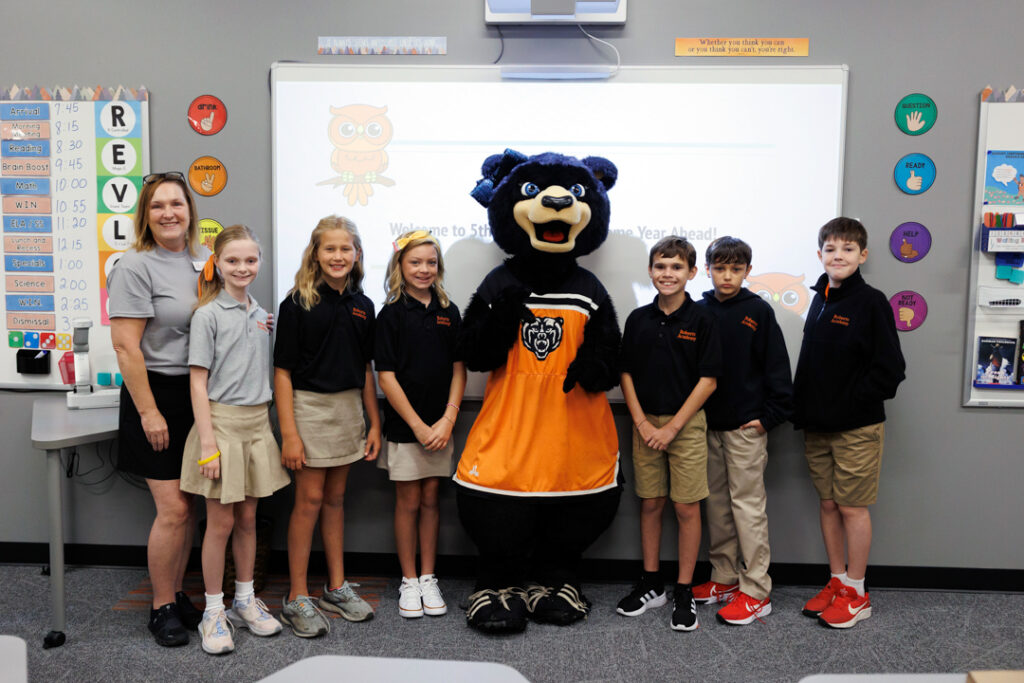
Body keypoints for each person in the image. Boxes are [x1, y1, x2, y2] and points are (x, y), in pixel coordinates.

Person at [108, 172, 209, 647]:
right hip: (155, 396)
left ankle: (177, 593)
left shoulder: (204, 261)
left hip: (196, 396)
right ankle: (160, 606)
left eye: (177, 204)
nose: (169, 213)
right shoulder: (135, 266)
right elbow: (127, 349)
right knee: (171, 509)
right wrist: (149, 413)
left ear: (190, 210)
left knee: (188, 507)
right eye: (157, 206)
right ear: (145, 215)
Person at [179, 225, 290, 654]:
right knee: (220, 523)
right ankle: (213, 610)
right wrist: (208, 444)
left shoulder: (261, 313)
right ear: (218, 264)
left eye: (250, 260)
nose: (242, 267)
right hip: (220, 429)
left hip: (256, 426)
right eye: (233, 260)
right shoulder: (206, 314)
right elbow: (197, 383)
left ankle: (244, 601)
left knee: (248, 520)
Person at [793, 217, 905, 629]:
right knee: (827, 503)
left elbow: (891, 370)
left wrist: (847, 403)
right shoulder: (820, 299)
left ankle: (857, 592)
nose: (838, 256)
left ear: (863, 255)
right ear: (820, 255)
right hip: (817, 426)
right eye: (830, 249)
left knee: (851, 507)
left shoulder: (872, 302)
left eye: (847, 249)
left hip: (856, 428)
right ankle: (837, 581)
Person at [273, 215, 381, 637]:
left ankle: (335, 587)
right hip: (308, 411)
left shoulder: (363, 305)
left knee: (336, 500)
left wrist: (373, 422)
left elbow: (366, 370)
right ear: (315, 254)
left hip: (348, 411)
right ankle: (296, 595)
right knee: (309, 501)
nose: (338, 256)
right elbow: (282, 373)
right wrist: (290, 434)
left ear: (357, 255)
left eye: (346, 249)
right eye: (330, 248)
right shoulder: (296, 303)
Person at [616, 236, 721, 632]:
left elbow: (708, 381)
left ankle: (683, 589)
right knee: (651, 503)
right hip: (645, 425)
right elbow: (624, 373)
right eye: (660, 266)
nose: (667, 274)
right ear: (649, 270)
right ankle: (651, 582)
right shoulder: (638, 319)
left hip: (686, 426)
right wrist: (643, 424)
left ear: (692, 273)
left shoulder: (703, 319)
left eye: (677, 267)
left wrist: (673, 426)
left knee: (687, 507)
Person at [694, 236, 793, 625]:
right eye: (720, 268)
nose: (728, 275)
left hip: (745, 428)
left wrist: (768, 417)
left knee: (747, 508)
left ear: (748, 272)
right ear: (708, 269)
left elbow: (777, 368)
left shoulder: (758, 312)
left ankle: (756, 589)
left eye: (736, 269)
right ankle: (724, 577)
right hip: (705, 428)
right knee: (716, 506)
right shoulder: (698, 311)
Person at [375, 230, 466, 619]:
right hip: (406, 427)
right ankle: (408, 580)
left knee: (432, 500)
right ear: (400, 266)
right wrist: (417, 426)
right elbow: (386, 376)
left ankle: (429, 576)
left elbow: (459, 370)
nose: (423, 269)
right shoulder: (391, 313)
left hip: (441, 427)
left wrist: (447, 419)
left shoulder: (449, 311)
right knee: (408, 501)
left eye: (431, 262)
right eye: (415, 262)